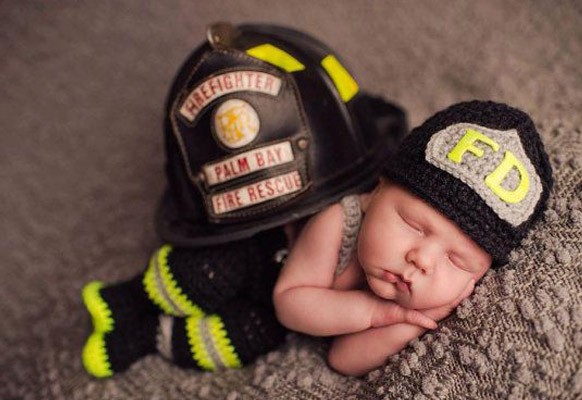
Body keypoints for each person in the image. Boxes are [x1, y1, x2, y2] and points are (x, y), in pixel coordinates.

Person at [81, 23, 409, 378]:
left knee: (251, 334)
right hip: (250, 251)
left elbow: (342, 353)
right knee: (205, 271)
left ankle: (149, 336)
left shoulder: (403, 258)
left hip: (276, 296)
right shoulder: (355, 210)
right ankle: (132, 297)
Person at [273, 100, 553, 376]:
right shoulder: (339, 222)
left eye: (457, 260)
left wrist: (419, 320)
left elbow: (343, 359)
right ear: (377, 191)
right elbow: (289, 303)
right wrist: (373, 312)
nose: (422, 260)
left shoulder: (435, 294)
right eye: (414, 225)